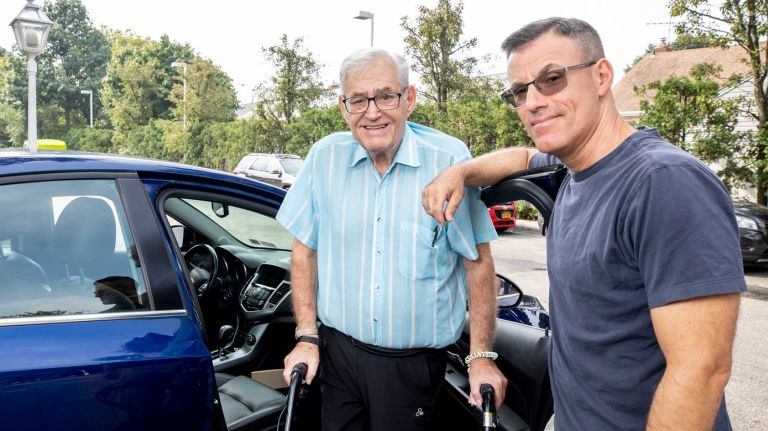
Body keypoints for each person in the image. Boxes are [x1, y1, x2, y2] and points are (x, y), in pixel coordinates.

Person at [422, 17, 745, 431]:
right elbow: (522, 157)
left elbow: (702, 370)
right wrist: (460, 173)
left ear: (601, 76)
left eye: (551, 79)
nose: (532, 102)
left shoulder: (662, 182)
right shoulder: (571, 170)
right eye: (519, 91)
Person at [276, 48, 507, 430]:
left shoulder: (449, 161)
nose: (372, 112)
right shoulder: (324, 158)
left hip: (412, 367)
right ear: (343, 107)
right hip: (339, 357)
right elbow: (304, 251)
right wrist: (307, 337)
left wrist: (481, 357)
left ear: (409, 99)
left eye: (385, 96)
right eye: (358, 100)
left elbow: (477, 263)